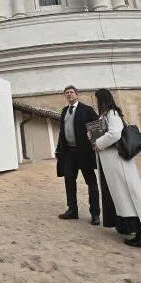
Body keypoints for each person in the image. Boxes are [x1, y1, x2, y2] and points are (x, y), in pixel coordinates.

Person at [93, 88, 141, 249]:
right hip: (112, 163)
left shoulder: (112, 114)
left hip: (119, 163)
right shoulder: (106, 114)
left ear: (102, 100)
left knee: (130, 196)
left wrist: (98, 143)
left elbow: (115, 134)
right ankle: (128, 227)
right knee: (123, 197)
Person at [56, 85, 100, 225]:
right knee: (69, 181)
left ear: (77, 94)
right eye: (66, 93)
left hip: (84, 152)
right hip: (69, 152)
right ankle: (72, 210)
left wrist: (96, 145)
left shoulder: (87, 110)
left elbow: (97, 128)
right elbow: (62, 132)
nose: (69, 94)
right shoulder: (64, 111)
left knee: (91, 183)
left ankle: (95, 214)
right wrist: (59, 149)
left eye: (71, 92)